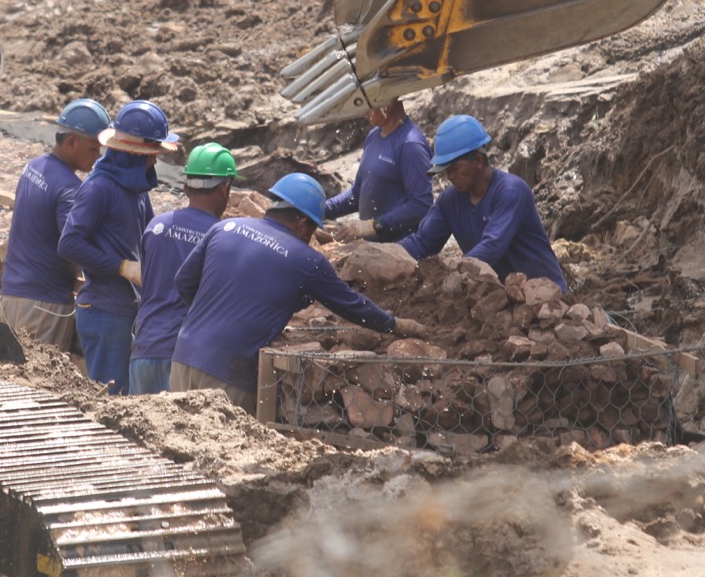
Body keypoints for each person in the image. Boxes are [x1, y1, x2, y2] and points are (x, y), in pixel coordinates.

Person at [170, 172, 396, 413]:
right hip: (229, 370)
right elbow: (352, 306)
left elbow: (184, 282)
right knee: (221, 434)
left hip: (184, 354)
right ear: (302, 224)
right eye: (311, 230)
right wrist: (393, 323)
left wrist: (212, 317)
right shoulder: (307, 260)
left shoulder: (225, 227)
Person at [59, 100, 177, 395]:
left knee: (125, 398)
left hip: (125, 309)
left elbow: (147, 235)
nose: (154, 162)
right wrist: (121, 266)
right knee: (110, 399)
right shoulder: (99, 188)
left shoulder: (135, 189)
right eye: (151, 155)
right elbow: (69, 243)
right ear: (134, 154)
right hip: (103, 311)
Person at [400, 114, 568, 291]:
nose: (450, 177)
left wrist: (452, 270)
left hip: (544, 295)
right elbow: (422, 243)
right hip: (499, 296)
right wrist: (388, 252)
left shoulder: (511, 192)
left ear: (478, 161)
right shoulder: (449, 201)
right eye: (446, 170)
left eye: (454, 168)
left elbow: (492, 246)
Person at [0, 99, 111, 356]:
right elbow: (74, 246)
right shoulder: (69, 188)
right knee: (41, 377)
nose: (98, 157)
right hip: (43, 306)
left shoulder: (32, 167)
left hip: (11, 294)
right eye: (93, 148)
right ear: (71, 142)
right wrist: (115, 265)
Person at [128, 143, 241, 395]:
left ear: (186, 187)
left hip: (144, 349)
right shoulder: (223, 238)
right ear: (224, 189)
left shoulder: (156, 226)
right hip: (184, 358)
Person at [323, 97, 434, 242]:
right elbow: (358, 194)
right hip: (373, 246)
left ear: (387, 104)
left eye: (369, 105)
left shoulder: (410, 145)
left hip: (401, 248)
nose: (364, 112)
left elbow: (421, 204)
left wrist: (374, 226)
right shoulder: (373, 136)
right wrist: (324, 209)